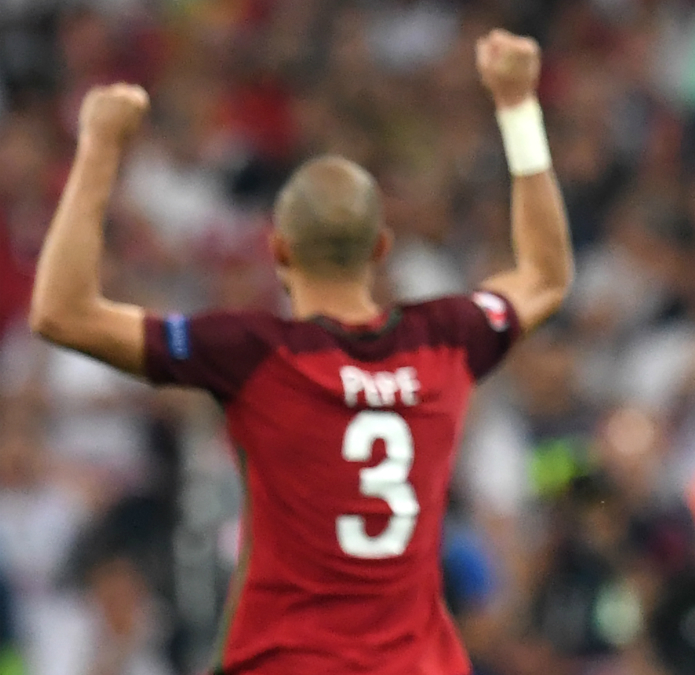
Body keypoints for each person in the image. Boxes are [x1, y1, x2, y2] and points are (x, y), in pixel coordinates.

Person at [28, 28, 571, 675]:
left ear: (278, 250)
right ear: (380, 249)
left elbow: (61, 312)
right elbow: (545, 275)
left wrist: (98, 147)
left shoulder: (251, 352)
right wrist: (517, 106)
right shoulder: (448, 338)